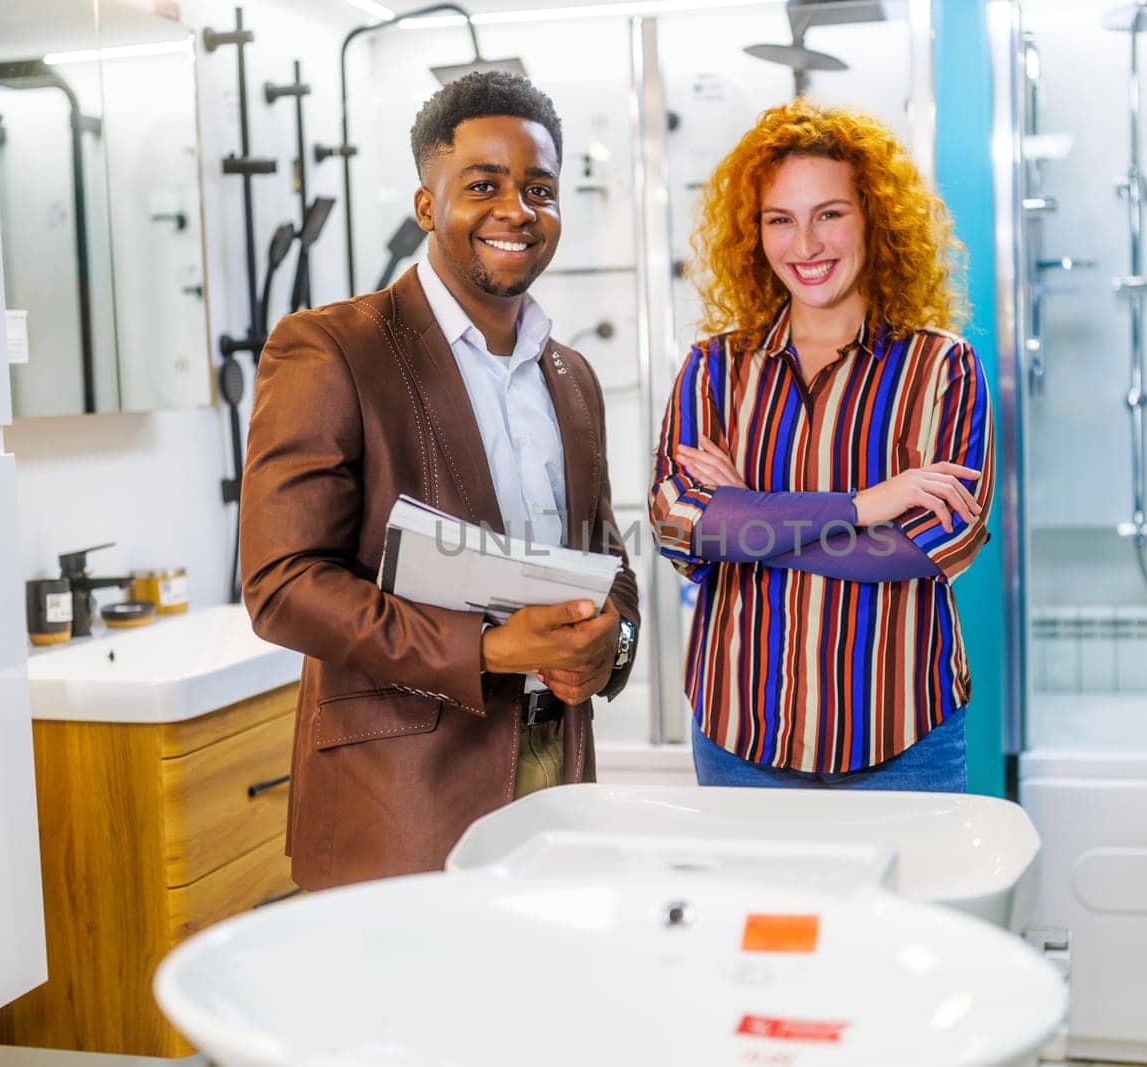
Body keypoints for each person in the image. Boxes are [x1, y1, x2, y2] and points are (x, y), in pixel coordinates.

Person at [242, 71, 640, 890]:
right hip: (403, 796)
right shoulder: (331, 349)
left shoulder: (572, 377)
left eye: (539, 188)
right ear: (428, 206)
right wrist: (489, 649)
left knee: (540, 1005)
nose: (516, 211)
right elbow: (281, 585)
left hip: (553, 767)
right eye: (483, 185)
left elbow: (607, 560)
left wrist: (612, 644)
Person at [649, 100, 992, 791]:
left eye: (829, 214)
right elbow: (680, 525)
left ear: (874, 217)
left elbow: (928, 547)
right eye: (781, 219)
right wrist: (868, 503)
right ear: (756, 233)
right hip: (739, 731)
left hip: (901, 733)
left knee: (907, 905)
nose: (805, 245)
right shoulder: (714, 369)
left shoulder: (941, 368)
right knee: (755, 906)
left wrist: (750, 517)